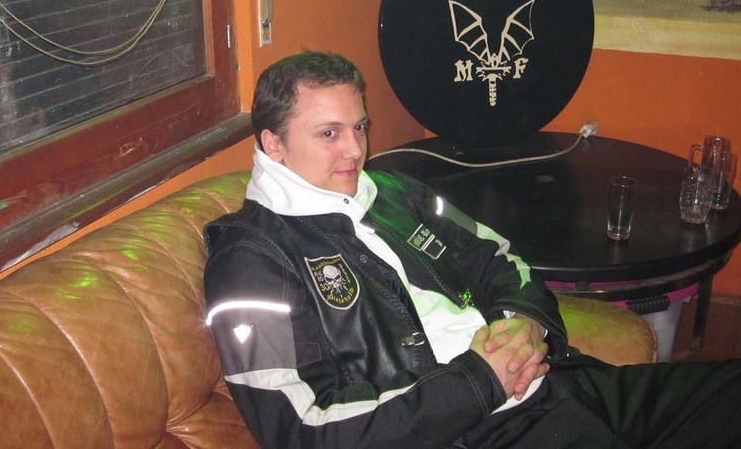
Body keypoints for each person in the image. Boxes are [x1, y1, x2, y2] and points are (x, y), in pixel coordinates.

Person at [203, 50, 741, 449]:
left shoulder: (393, 191)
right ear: (273, 144)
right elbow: (301, 431)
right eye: (329, 133)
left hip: (557, 380)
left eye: (359, 127)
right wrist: (481, 381)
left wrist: (525, 322)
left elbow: (500, 257)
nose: (355, 149)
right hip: (476, 429)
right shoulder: (250, 261)